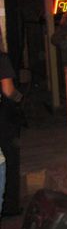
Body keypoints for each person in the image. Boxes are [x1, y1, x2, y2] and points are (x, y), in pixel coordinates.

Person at [0, 51, 23, 218]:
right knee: (9, 158)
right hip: (2, 118)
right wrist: (19, 97)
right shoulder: (1, 58)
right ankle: (9, 206)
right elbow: (8, 90)